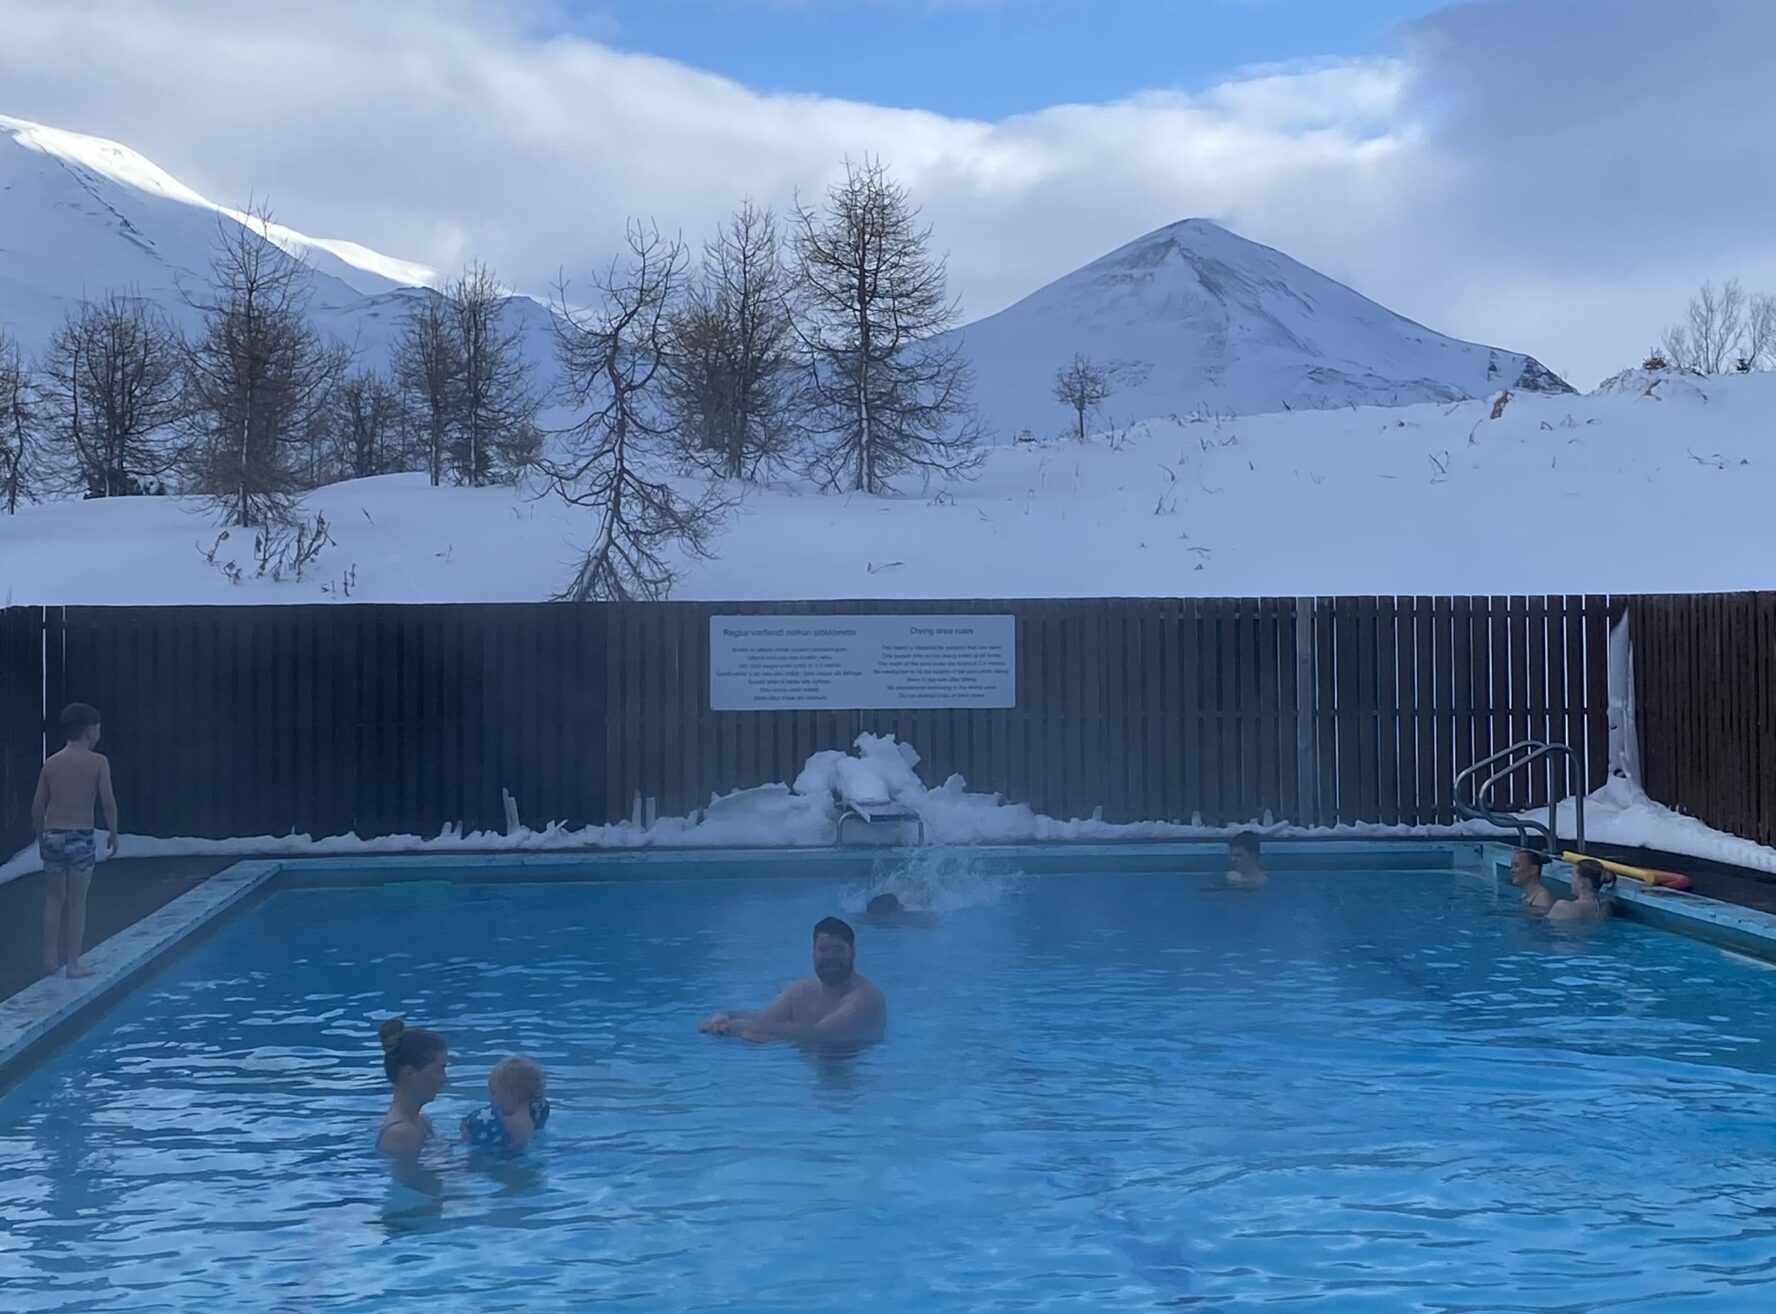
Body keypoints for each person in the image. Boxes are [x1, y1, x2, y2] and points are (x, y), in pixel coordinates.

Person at [31, 702, 119, 979]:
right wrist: (114, 833)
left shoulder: (52, 763)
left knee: (54, 899)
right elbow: (108, 802)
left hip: (54, 834)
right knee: (78, 902)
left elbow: (37, 805)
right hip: (81, 836)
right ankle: (72, 963)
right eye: (98, 726)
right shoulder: (98, 762)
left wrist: (40, 836)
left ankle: (48, 956)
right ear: (89, 731)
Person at [699, 916, 887, 1045]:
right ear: (813, 953)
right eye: (823, 950)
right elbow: (763, 1020)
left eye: (838, 949)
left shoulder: (865, 998)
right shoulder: (802, 990)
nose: (830, 956)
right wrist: (725, 1016)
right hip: (806, 1080)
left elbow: (819, 1035)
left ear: (852, 952)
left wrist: (741, 1028)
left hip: (854, 1078)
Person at [377, 1018, 449, 1158]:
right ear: (409, 1074)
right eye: (439, 1070)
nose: (445, 1079)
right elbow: (414, 1179)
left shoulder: (422, 1121)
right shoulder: (402, 1134)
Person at [462, 1055, 551, 1152]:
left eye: (493, 1093)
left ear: (513, 1095)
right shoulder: (532, 1116)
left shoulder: (512, 1122)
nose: (490, 1098)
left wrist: (466, 1130)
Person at [1549, 859, 1613, 923]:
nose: (1571, 882)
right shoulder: (1606, 908)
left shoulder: (1563, 907)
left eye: (1573, 876)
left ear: (1582, 882)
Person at [1509, 849, 1556, 914]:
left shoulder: (1542, 899)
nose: (1512, 870)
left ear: (1533, 869)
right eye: (1512, 867)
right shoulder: (1525, 895)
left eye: (1517, 865)